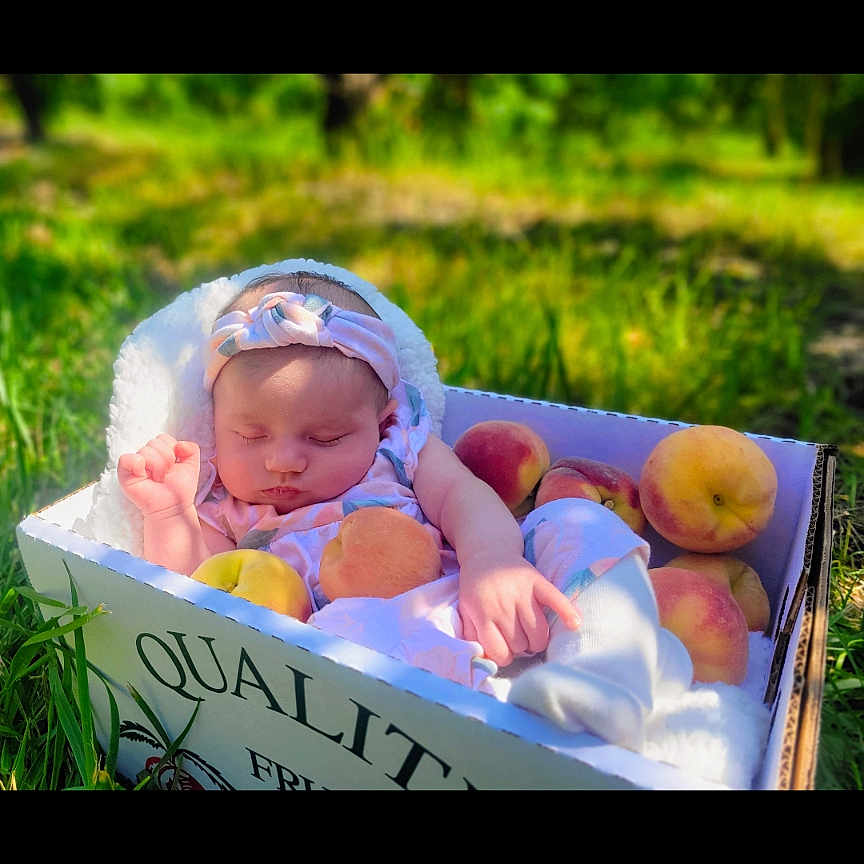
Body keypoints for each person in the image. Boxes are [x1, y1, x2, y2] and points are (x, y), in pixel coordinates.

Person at [118, 271, 692, 751]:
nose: (285, 461)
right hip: (395, 672)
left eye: (325, 438)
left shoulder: (401, 449)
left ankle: (605, 669)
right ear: (216, 427)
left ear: (381, 418)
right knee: (335, 630)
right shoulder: (231, 509)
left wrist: (493, 562)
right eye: (251, 435)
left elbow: (465, 498)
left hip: (492, 600)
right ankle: (530, 722)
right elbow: (195, 593)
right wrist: (169, 514)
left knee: (573, 521)